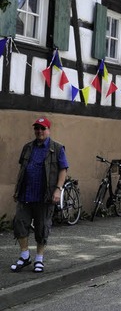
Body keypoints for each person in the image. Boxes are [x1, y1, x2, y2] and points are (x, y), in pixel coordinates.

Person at [11, 117, 69, 274]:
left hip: (45, 196)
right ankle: (24, 256)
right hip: (25, 194)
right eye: (37, 128)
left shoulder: (57, 148)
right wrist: (17, 190)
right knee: (19, 224)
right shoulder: (28, 147)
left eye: (42, 128)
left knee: (42, 228)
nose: (39, 131)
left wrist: (58, 189)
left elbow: (63, 169)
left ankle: (39, 259)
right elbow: (22, 170)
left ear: (48, 130)